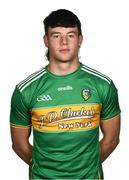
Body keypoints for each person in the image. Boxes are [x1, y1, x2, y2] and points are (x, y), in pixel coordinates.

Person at [10, 9, 121, 179]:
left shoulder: (102, 85)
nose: (64, 42)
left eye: (70, 35)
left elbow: (112, 139)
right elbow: (19, 145)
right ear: (46, 40)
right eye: (56, 35)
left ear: (80, 40)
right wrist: (45, 169)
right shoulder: (25, 90)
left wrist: (87, 166)